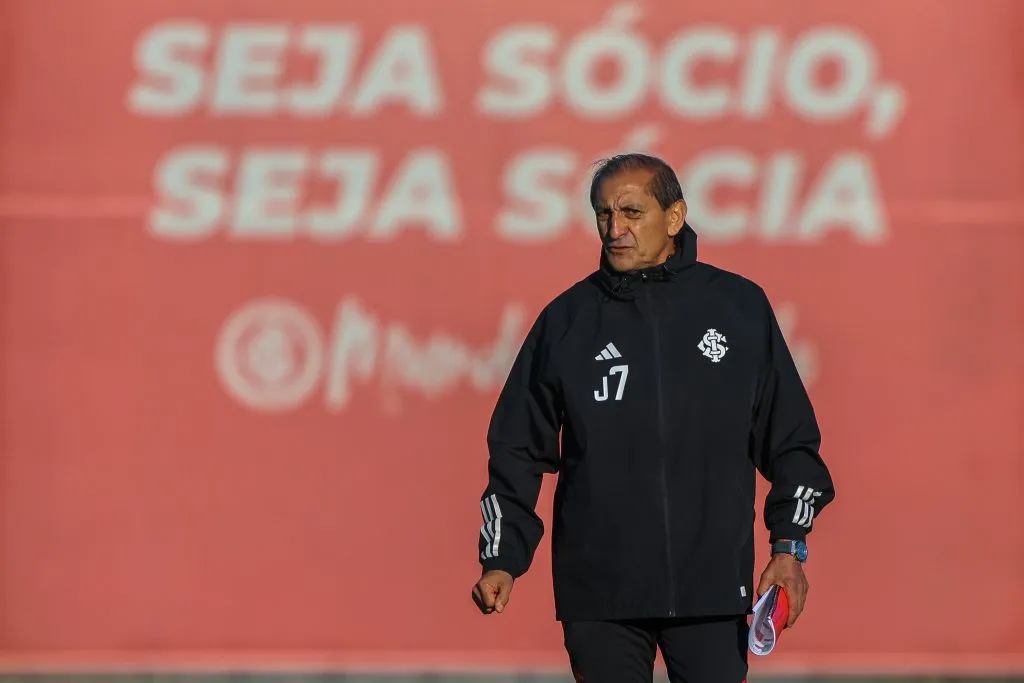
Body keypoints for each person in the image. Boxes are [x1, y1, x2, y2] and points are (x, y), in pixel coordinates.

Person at [470, 153, 835, 682]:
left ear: (675, 216)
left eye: (632, 212)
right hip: (601, 594)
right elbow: (516, 448)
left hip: (712, 589)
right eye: (603, 214)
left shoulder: (738, 307)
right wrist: (502, 558)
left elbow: (792, 442)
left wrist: (788, 546)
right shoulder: (567, 321)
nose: (614, 229)